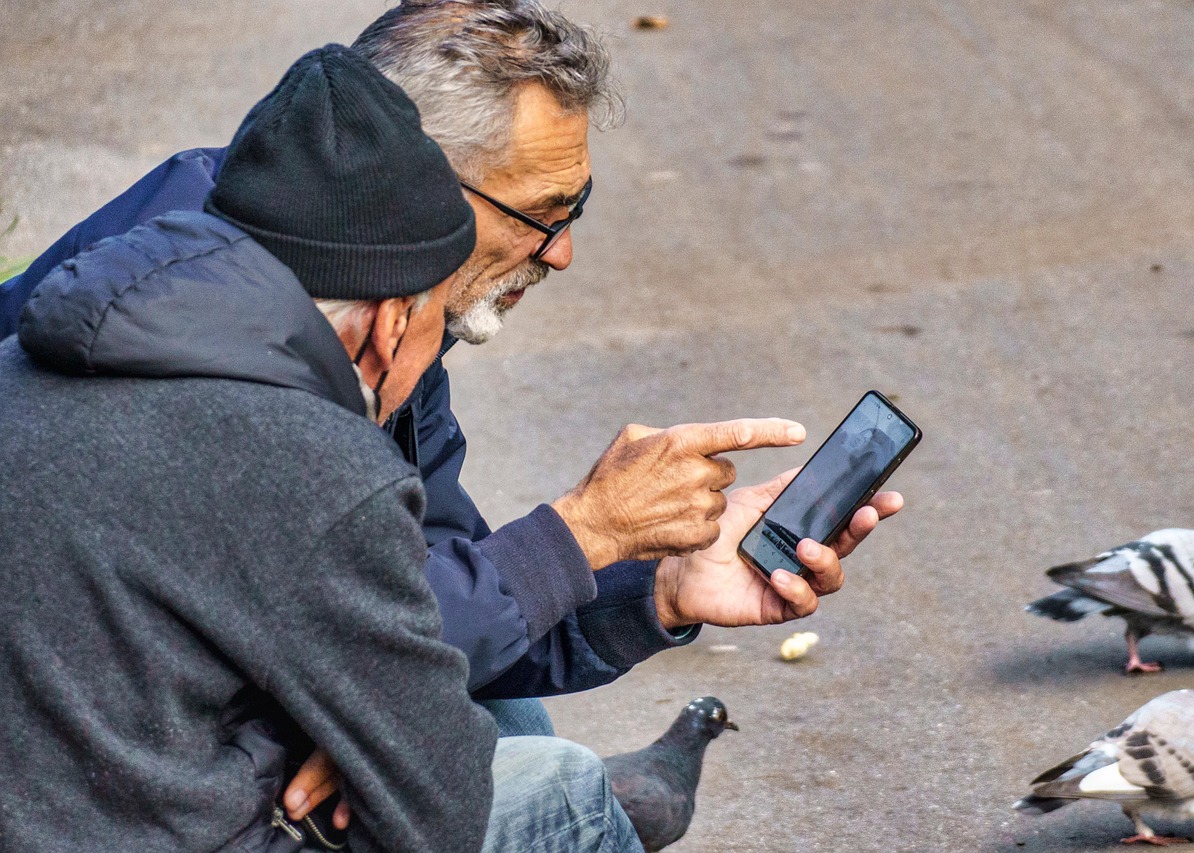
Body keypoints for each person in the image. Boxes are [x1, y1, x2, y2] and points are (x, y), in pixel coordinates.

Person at [0, 0, 904, 845]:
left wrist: (657, 586)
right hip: (134, 788)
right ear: (416, 184)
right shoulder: (302, 390)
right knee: (562, 793)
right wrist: (582, 530)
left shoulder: (283, 278)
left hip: (158, 737)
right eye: (543, 213)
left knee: (497, 713)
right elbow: (429, 775)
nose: (563, 251)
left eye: (575, 208)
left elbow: (426, 592)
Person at [0, 44, 501, 851]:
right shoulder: (319, 468)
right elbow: (440, 815)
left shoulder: (24, 353)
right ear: (393, 322)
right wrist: (289, 744)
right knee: (565, 787)